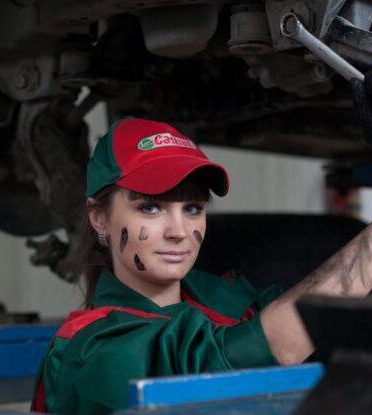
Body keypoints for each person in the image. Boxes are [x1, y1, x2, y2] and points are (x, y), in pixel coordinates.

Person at [31, 118, 372, 415]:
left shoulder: (225, 295)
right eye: (150, 208)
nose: (179, 232)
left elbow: (319, 325)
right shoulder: (89, 349)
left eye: (193, 208)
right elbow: (248, 353)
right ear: (100, 218)